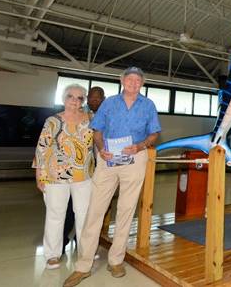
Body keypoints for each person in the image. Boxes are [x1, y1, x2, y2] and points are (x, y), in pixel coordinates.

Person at [64, 67, 160, 287]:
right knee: (95, 210)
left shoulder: (148, 105)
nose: (134, 83)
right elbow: (97, 130)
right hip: (107, 159)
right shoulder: (109, 103)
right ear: (122, 80)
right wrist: (101, 149)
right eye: (130, 79)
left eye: (138, 80)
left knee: (126, 210)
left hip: (135, 159)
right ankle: (83, 265)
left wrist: (141, 145)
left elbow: (154, 132)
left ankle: (116, 260)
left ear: (142, 84)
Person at [33, 84, 94, 270]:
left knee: (85, 216)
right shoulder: (52, 121)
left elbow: (99, 144)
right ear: (63, 98)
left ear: (83, 101)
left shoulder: (91, 120)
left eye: (79, 98)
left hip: (84, 176)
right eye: (70, 96)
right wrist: (39, 175)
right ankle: (52, 255)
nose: (74, 101)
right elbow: (41, 148)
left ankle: (86, 253)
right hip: (55, 176)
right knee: (55, 215)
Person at [62, 86, 106, 255]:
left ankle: (85, 243)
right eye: (91, 98)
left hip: (99, 168)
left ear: (103, 99)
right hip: (77, 169)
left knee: (92, 208)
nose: (94, 100)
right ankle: (62, 242)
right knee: (70, 207)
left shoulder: (107, 116)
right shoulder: (80, 115)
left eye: (98, 98)